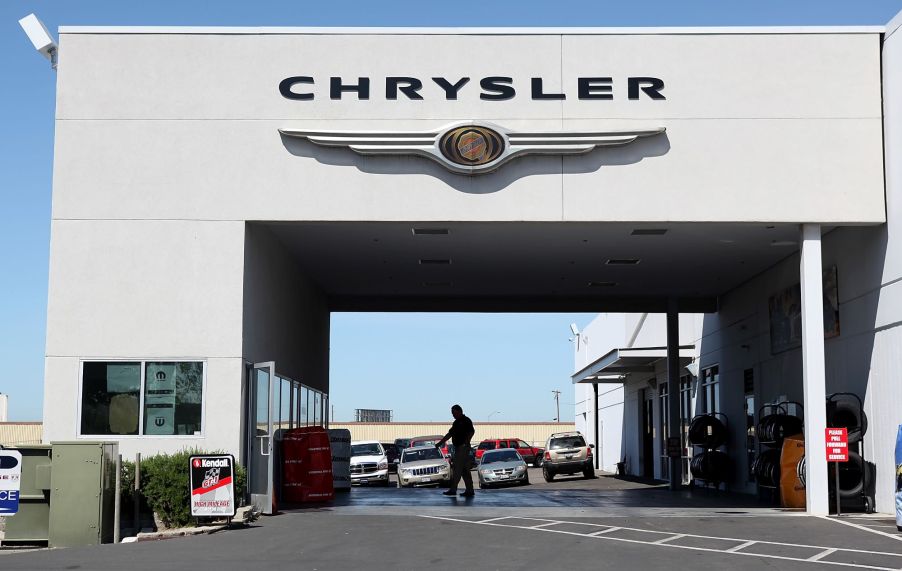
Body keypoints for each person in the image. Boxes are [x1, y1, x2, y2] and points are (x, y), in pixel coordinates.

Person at [436, 404, 475, 497]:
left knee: (457, 469)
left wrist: (466, 441)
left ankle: (453, 489)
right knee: (465, 470)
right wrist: (440, 442)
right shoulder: (456, 423)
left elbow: (472, 431)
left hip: (463, 448)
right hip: (458, 448)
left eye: (454, 413)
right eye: (452, 413)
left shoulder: (466, 421)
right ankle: (470, 490)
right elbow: (450, 434)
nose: (453, 415)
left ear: (460, 411)